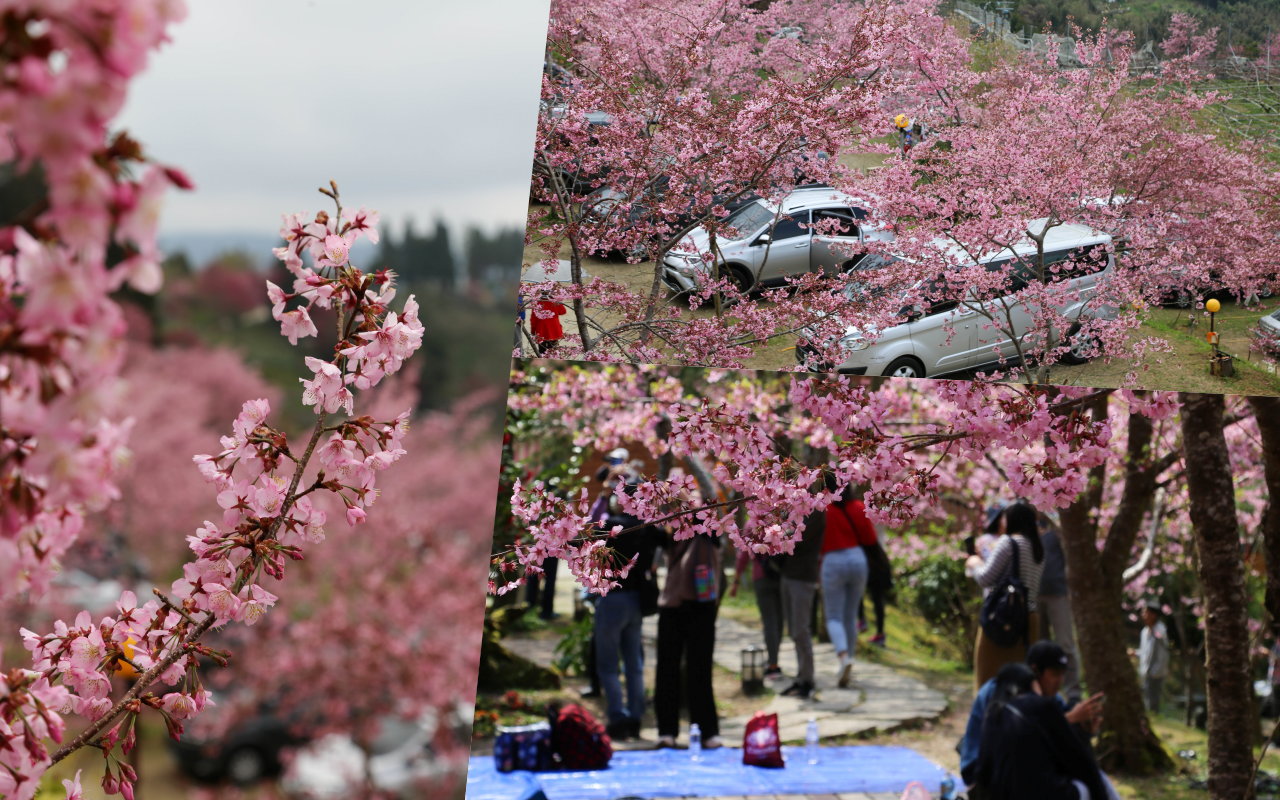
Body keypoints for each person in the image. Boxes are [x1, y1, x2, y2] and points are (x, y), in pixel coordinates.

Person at [959, 640, 1105, 794]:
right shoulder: (999, 692)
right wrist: (1069, 718)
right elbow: (1009, 743)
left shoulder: (1052, 698)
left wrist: (1084, 729)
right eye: (1055, 674)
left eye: (1063, 675)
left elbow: (1065, 746)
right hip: (983, 776)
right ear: (1035, 671)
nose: (1060, 681)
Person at [594, 486, 664, 741]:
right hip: (636, 599)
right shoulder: (647, 527)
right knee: (634, 664)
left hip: (612, 598)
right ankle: (635, 717)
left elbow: (585, 531)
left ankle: (618, 717)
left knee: (608, 665)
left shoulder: (610, 525)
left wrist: (601, 498)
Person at [966, 501, 1046, 691]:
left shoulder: (1008, 542)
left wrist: (974, 562)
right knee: (1019, 685)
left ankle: (986, 720)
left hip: (1003, 617)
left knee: (988, 681)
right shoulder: (1038, 548)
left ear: (1011, 520)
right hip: (1030, 619)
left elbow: (986, 578)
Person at [654, 530, 724, 749]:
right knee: (667, 668)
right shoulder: (671, 526)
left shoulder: (711, 525)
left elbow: (707, 517)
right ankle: (666, 730)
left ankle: (707, 731)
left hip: (702, 603)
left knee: (700, 669)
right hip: (672, 603)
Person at [820, 484, 872, 688]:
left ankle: (843, 658)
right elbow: (870, 538)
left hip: (832, 561)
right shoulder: (859, 507)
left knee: (833, 616)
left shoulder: (823, 509)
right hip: (858, 559)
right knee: (850, 615)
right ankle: (849, 659)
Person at [779, 508, 826, 699]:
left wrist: (777, 533)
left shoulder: (817, 511)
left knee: (801, 630)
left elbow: (798, 537)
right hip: (788, 574)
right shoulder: (791, 505)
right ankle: (801, 677)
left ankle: (808, 680)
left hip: (803, 577)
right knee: (794, 631)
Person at [1037, 515, 1081, 703]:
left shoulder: (1058, 530)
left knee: (1066, 645)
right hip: (1036, 594)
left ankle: (1073, 693)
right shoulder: (1028, 532)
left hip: (1059, 594)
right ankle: (1040, 687)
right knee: (1039, 645)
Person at [730, 543, 785, 680]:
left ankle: (773, 664)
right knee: (778, 621)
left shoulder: (752, 524)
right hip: (781, 576)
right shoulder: (781, 521)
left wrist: (736, 580)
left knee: (770, 622)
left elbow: (743, 554)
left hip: (762, 576)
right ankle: (773, 661)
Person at [1138, 599, 1169, 714]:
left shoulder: (1160, 631)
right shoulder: (1145, 632)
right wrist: (1136, 653)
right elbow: (1145, 652)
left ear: (1154, 615)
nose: (1143, 614)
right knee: (1147, 700)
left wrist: (1155, 672)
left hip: (1156, 673)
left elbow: (1162, 654)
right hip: (1146, 672)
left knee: (1153, 702)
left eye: (1145, 612)